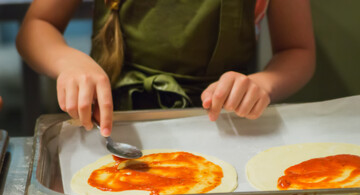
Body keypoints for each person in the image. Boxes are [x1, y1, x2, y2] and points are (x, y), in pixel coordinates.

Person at [16, 0, 315, 137]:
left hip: (225, 127)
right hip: (114, 126)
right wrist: (69, 62)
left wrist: (262, 84)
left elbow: (297, 51)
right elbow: (36, 26)